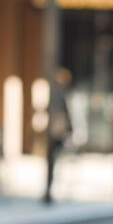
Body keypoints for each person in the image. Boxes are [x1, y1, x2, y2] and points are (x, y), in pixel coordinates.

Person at [43, 68, 72, 204]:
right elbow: (66, 114)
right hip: (56, 131)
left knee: (51, 161)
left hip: (54, 131)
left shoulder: (54, 94)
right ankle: (48, 191)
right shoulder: (59, 95)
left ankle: (48, 190)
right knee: (52, 160)